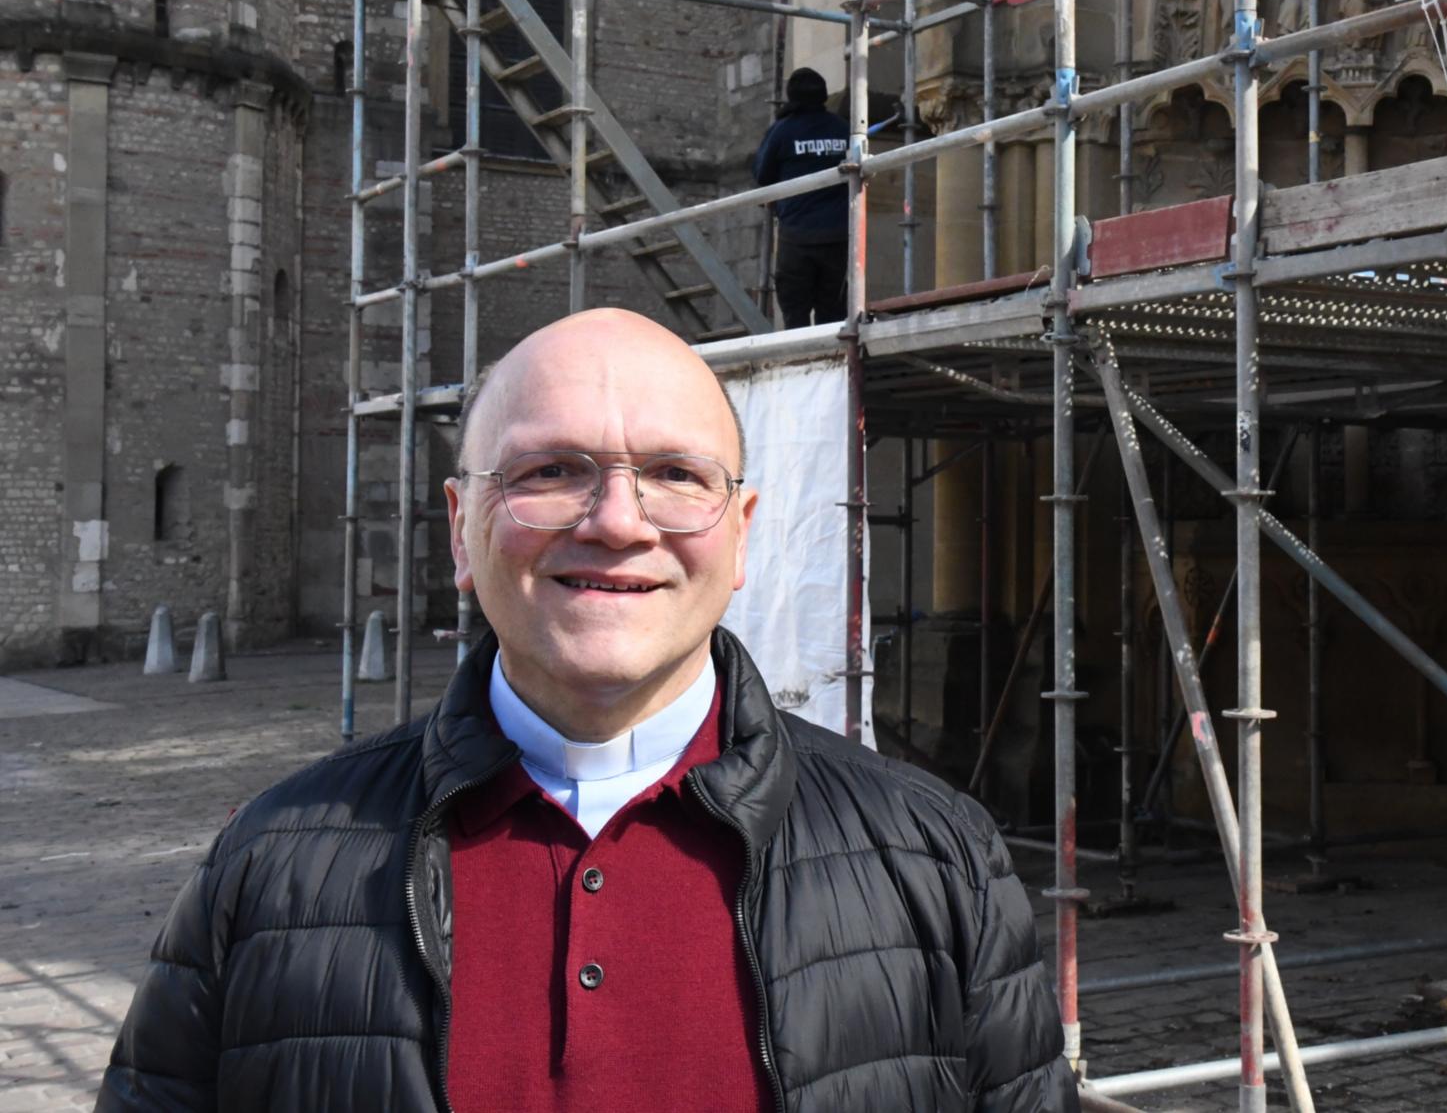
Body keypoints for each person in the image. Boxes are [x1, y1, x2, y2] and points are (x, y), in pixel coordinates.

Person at [96, 308, 1076, 1113]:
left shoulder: (937, 858)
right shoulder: (270, 870)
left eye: (674, 474)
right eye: (549, 470)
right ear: (461, 530)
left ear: (738, 539)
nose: (614, 520)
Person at [752, 67, 851, 328]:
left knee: (795, 314)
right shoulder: (843, 129)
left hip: (797, 236)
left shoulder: (783, 130)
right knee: (833, 315)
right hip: (839, 237)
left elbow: (762, 174)